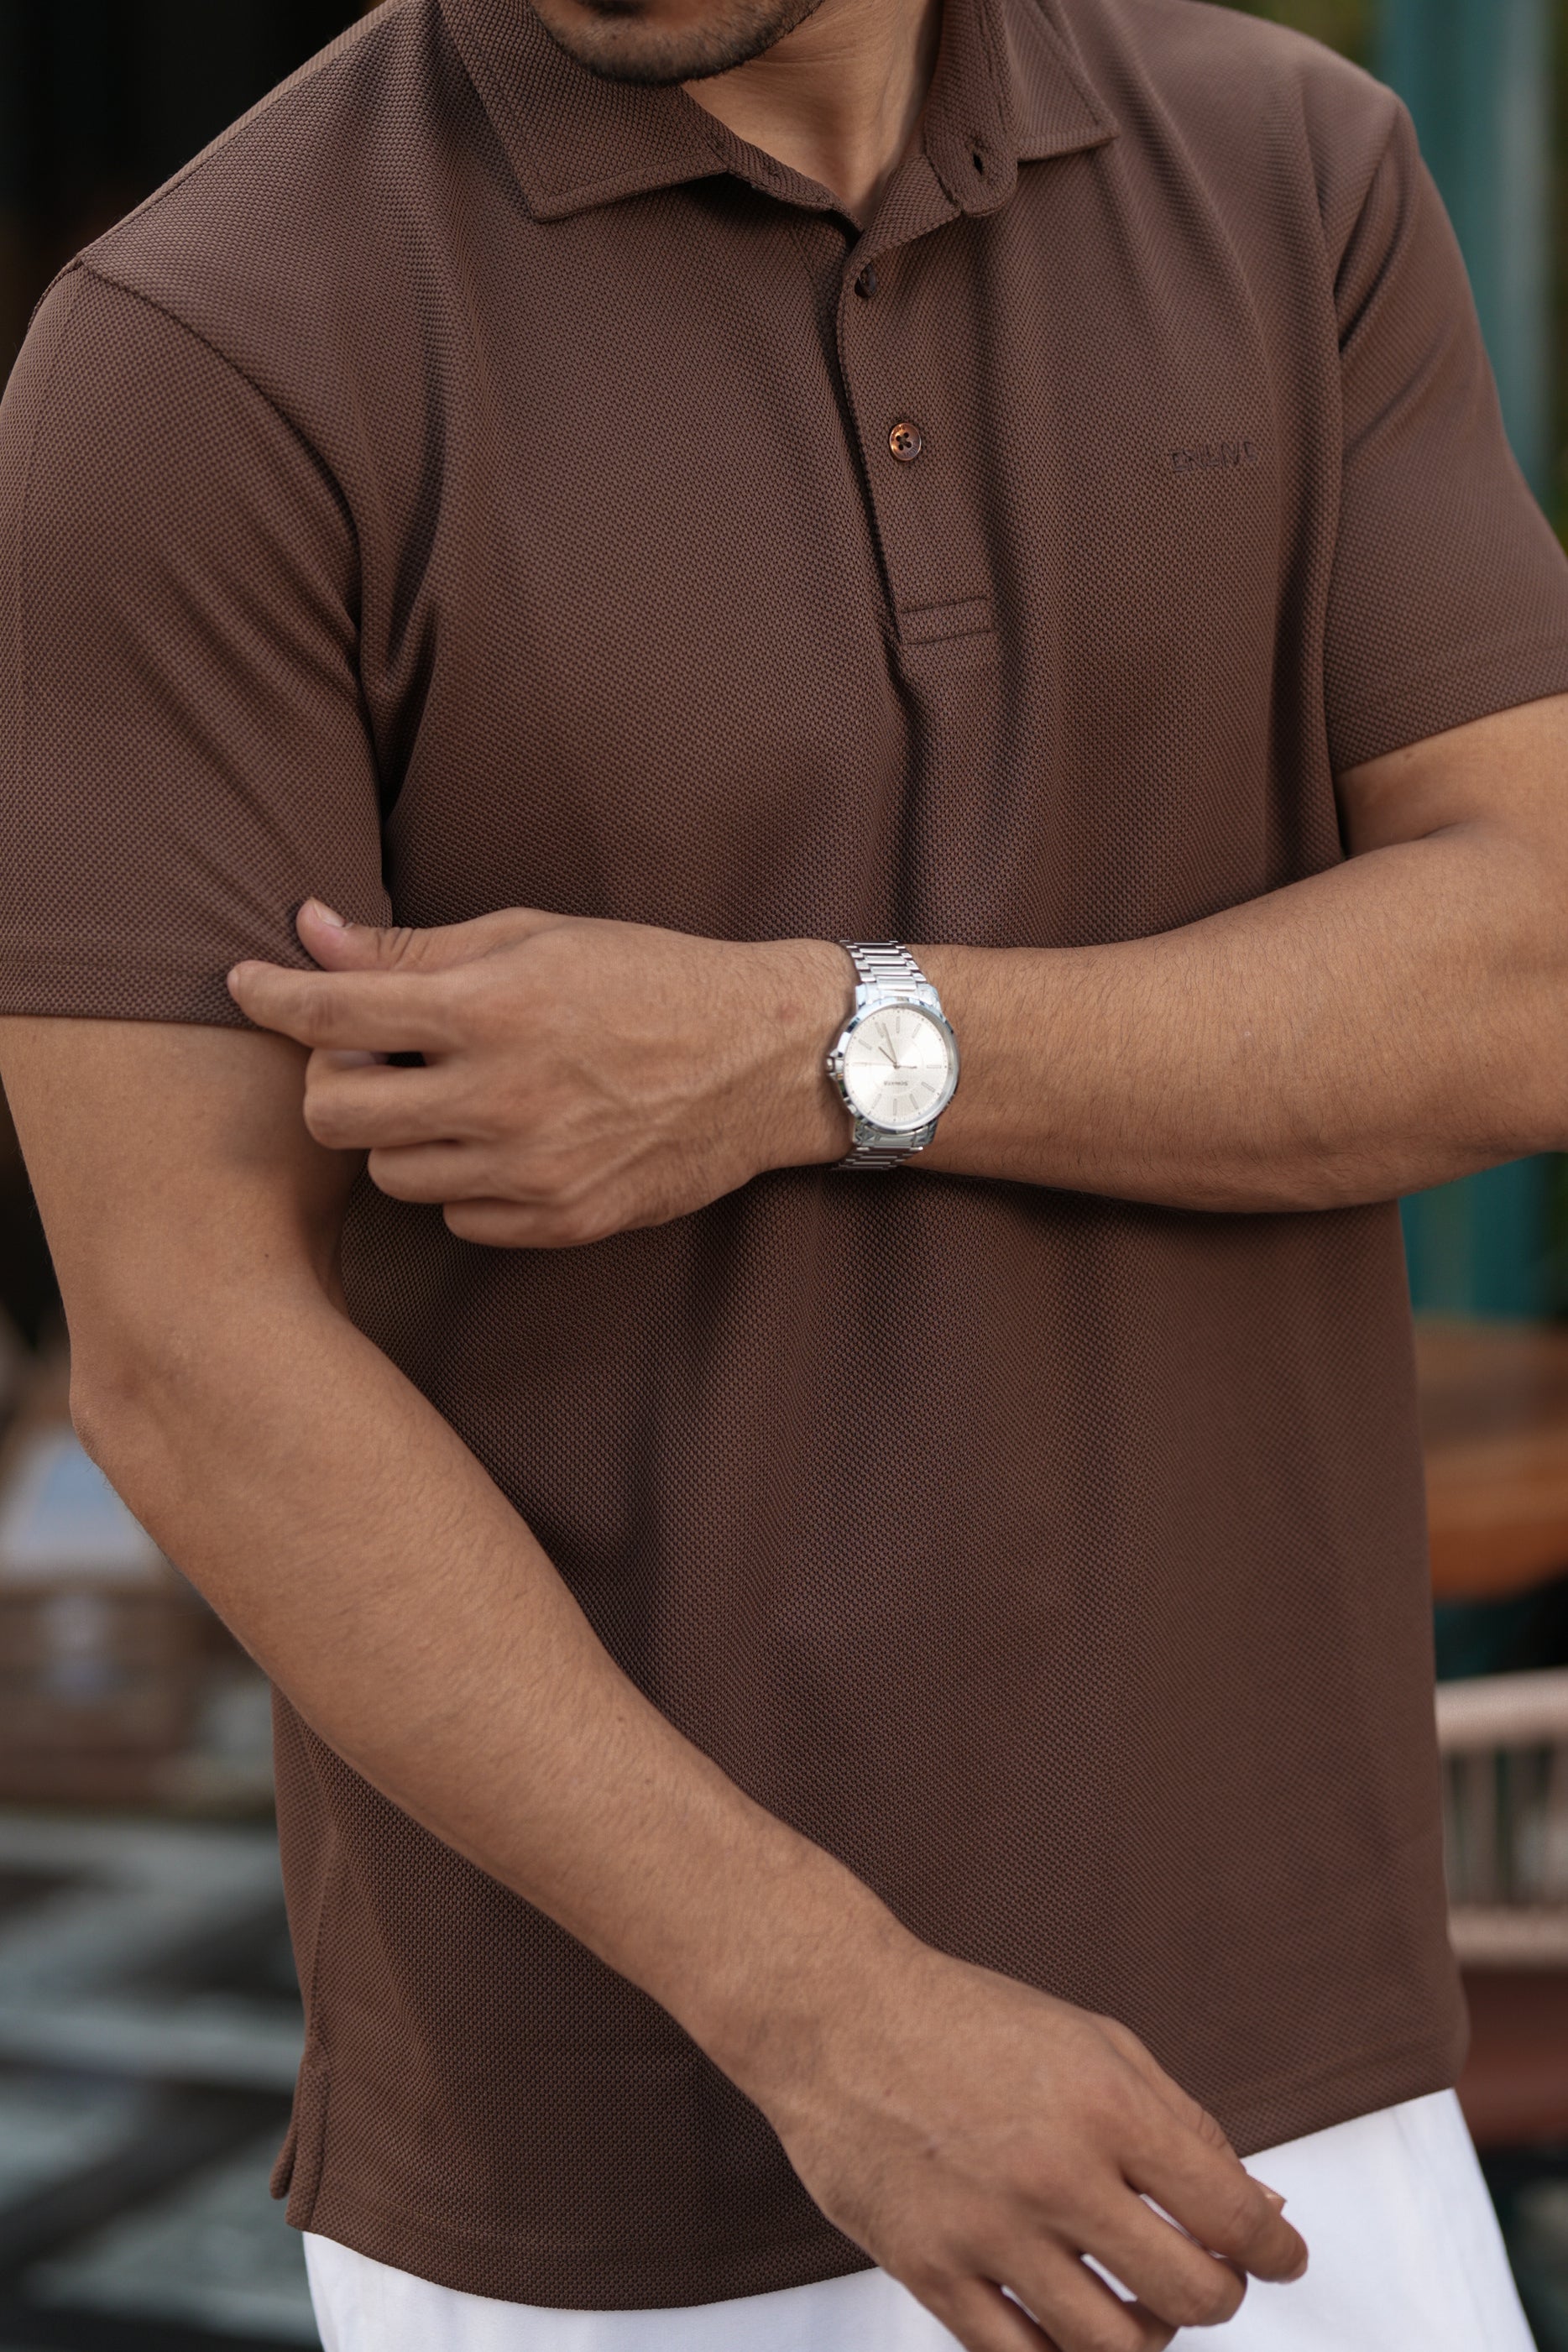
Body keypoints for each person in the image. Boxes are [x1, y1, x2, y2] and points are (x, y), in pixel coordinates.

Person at [0, 0, 1561, 2340]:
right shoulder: (202, 346)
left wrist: (815, 1044)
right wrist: (825, 2002)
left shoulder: (1292, 174)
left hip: (1293, 2053)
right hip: (616, 2158)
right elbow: (188, 1340)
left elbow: (1525, 969)